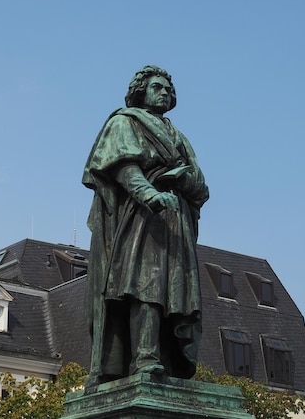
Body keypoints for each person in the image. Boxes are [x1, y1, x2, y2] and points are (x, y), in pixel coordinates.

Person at [82, 65, 209, 386]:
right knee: (144, 286)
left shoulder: (179, 137)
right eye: (157, 87)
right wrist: (149, 193)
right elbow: (123, 166)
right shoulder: (124, 122)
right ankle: (145, 356)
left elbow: (202, 186)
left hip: (175, 222)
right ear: (141, 91)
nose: (165, 92)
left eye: (168, 89)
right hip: (141, 218)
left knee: (175, 293)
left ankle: (164, 358)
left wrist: (184, 179)